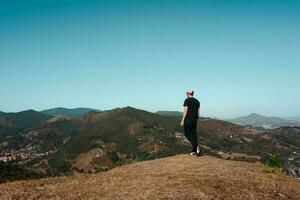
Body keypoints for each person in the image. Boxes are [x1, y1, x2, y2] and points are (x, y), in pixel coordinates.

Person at [180, 89, 202, 156]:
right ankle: (194, 151)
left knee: (187, 134)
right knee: (194, 134)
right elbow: (198, 113)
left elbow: (185, 111)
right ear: (193, 93)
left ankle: (197, 145)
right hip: (194, 120)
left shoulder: (187, 100)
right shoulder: (197, 101)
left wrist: (182, 120)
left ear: (187, 93)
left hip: (188, 120)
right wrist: (195, 119)